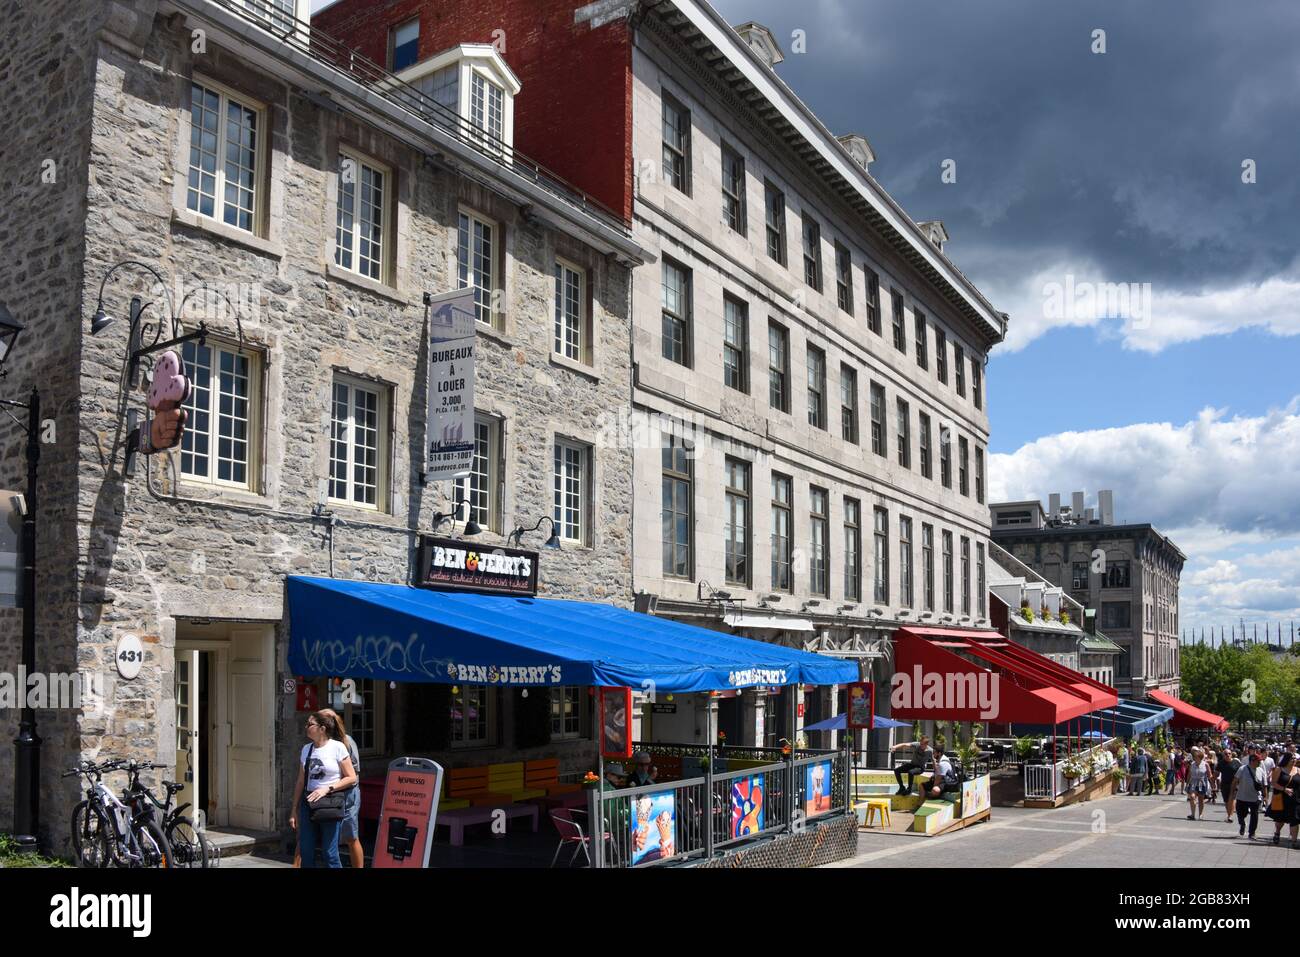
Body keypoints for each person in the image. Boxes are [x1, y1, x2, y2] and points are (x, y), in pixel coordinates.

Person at [292, 708, 363, 869]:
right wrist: (293, 809)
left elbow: (352, 777)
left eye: (310, 724)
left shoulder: (341, 745)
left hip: (331, 802)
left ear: (323, 728)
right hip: (309, 802)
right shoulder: (306, 749)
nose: (306, 726)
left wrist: (327, 789)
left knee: (330, 852)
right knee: (306, 849)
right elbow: (300, 781)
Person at [1266, 753, 1299, 848]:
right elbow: (1273, 783)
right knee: (1281, 820)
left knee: (1295, 820)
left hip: (1295, 800)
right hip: (1282, 799)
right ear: (1286, 760)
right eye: (1291, 759)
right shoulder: (1279, 769)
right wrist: (1285, 789)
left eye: (1295, 759)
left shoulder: (1298, 770)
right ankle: (1277, 832)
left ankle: (1294, 841)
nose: (1294, 760)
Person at [1233, 752, 1266, 841]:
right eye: (1258, 761)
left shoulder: (1261, 770)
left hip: (1255, 797)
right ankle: (1242, 824)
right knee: (1241, 814)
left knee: (1254, 815)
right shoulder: (1242, 769)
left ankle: (1252, 833)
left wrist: (1265, 796)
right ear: (1252, 761)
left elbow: (1264, 784)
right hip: (1242, 796)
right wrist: (1232, 792)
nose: (1260, 763)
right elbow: (1235, 780)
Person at [1185, 747, 1211, 820]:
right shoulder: (1192, 764)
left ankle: (1200, 814)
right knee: (1192, 797)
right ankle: (1193, 814)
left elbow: (1210, 775)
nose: (1194, 758)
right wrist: (1187, 783)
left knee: (1200, 800)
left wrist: (1212, 785)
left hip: (1202, 783)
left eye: (1196, 757)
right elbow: (1189, 774)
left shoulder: (1205, 764)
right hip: (1193, 783)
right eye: (1194, 757)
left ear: (1200, 757)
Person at [1219, 750, 1240, 823]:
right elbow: (1216, 773)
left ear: (1231, 754)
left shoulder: (1236, 763)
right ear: (1223, 755)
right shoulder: (1221, 763)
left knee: (1232, 799)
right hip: (1224, 784)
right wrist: (1213, 782)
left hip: (1234, 784)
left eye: (1229, 753)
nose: (1228, 755)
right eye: (1226, 754)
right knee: (1226, 801)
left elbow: (1241, 773)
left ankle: (1230, 816)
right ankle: (1229, 815)